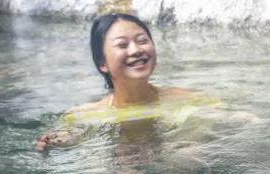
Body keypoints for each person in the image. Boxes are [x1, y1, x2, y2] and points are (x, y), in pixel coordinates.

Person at [35, 13, 218, 151]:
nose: (136, 50)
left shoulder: (191, 100)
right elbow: (58, 142)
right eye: (122, 45)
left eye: (142, 41)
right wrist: (55, 145)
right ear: (102, 63)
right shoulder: (82, 116)